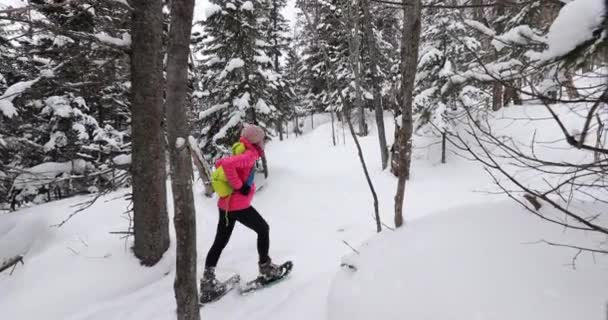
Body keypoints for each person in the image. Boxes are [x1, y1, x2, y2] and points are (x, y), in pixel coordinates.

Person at [200, 124, 283, 298]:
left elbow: (227, 164)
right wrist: (241, 187)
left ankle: (207, 283)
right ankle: (266, 268)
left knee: (220, 242)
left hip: (226, 205)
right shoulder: (249, 154)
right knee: (263, 229)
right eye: (262, 140)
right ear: (256, 141)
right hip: (238, 205)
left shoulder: (241, 149)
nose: (263, 143)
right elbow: (226, 164)